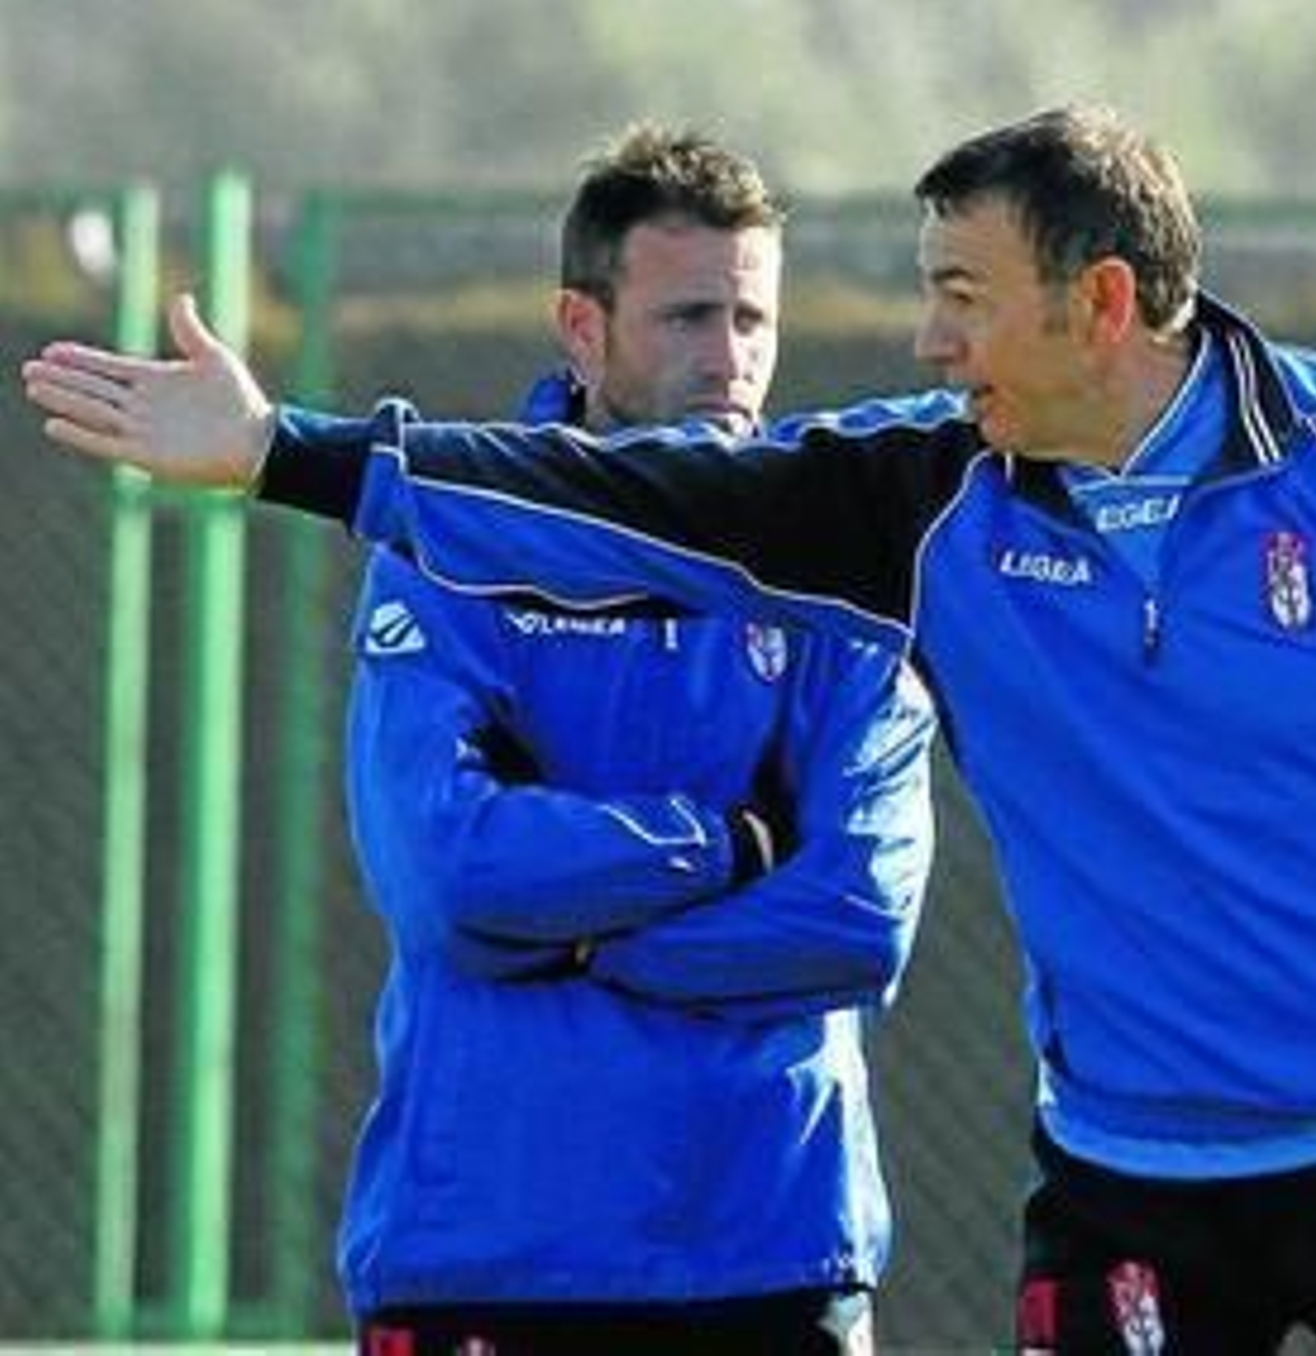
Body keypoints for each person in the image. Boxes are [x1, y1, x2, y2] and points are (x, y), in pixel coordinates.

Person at [24, 102, 1316, 1354]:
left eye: (962, 299)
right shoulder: (926, 500)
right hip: (1139, 1182)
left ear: (1101, 301)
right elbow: (628, 492)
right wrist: (287, 454)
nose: (926, 343)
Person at [318, 124, 942, 1353]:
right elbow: (444, 873)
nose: (729, 361)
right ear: (581, 328)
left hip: (772, 1251)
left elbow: (858, 916)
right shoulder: (451, 550)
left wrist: (582, 936)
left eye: (752, 321)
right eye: (687, 319)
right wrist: (729, 846)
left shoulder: (837, 570)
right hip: (485, 1250)